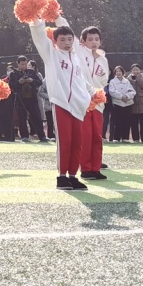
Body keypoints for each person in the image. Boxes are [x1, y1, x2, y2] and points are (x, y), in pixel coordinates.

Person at [28, 16, 94, 190]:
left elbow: (82, 81)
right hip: (62, 103)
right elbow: (40, 38)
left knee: (77, 142)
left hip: (79, 107)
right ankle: (61, 176)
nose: (67, 42)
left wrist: (92, 93)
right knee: (64, 141)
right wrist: (36, 20)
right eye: (62, 39)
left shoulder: (76, 59)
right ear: (55, 41)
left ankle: (73, 176)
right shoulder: (52, 55)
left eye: (70, 39)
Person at [74, 23, 109, 180]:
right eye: (90, 39)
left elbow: (104, 80)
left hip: (98, 102)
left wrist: (97, 92)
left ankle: (96, 168)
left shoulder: (103, 59)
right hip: (84, 100)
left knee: (97, 136)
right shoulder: (80, 53)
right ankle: (86, 169)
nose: (94, 42)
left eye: (96, 39)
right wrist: (57, 17)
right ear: (83, 41)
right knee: (86, 136)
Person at [10, 56, 47, 143]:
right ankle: (24, 136)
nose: (24, 65)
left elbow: (39, 82)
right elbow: (11, 85)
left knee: (37, 117)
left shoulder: (32, 72)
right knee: (22, 119)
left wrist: (32, 80)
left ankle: (42, 136)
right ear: (18, 64)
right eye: (22, 64)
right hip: (21, 99)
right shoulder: (13, 74)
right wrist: (19, 82)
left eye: (25, 64)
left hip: (32, 98)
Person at [107, 66, 135, 141]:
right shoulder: (112, 81)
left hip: (128, 104)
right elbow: (112, 91)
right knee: (117, 121)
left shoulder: (127, 81)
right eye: (117, 71)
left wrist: (127, 96)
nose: (118, 73)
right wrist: (121, 97)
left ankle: (125, 137)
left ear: (123, 72)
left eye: (120, 71)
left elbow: (132, 91)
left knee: (127, 121)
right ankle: (116, 138)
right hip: (117, 104)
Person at [129, 64, 143, 143]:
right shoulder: (128, 79)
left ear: (140, 71)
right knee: (134, 123)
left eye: (137, 70)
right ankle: (135, 139)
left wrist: (138, 78)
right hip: (133, 104)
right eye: (134, 70)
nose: (136, 71)